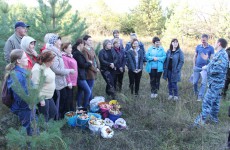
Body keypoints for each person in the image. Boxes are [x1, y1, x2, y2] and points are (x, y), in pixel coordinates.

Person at [193, 38, 228, 126]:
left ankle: (199, 124)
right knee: (215, 103)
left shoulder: (222, 55)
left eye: (216, 42)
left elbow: (218, 69)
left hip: (216, 84)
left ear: (219, 43)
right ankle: (214, 121)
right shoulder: (219, 54)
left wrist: (206, 68)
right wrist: (207, 60)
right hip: (215, 83)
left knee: (206, 102)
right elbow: (214, 64)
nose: (215, 44)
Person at [43, 33, 75, 119]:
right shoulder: (51, 53)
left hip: (61, 81)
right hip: (56, 83)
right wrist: (69, 71)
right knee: (58, 102)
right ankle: (57, 120)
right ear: (54, 42)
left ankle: (61, 119)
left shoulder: (56, 51)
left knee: (63, 100)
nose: (60, 42)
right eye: (59, 40)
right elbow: (56, 69)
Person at [5, 49, 32, 135]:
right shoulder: (18, 76)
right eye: (25, 58)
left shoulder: (21, 72)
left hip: (27, 108)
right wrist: (29, 105)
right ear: (18, 61)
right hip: (25, 109)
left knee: (31, 129)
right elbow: (20, 96)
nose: (27, 59)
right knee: (29, 131)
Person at [31, 51, 57, 121]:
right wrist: (41, 99)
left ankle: (48, 128)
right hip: (42, 97)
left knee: (53, 112)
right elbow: (35, 85)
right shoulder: (37, 69)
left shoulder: (46, 66)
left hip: (49, 96)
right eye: (52, 61)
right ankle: (44, 130)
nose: (53, 62)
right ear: (47, 60)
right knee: (44, 117)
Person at [193, 34, 214, 101]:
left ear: (207, 40)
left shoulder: (211, 48)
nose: (203, 41)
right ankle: (196, 92)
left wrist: (208, 64)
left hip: (205, 69)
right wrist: (194, 65)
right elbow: (195, 56)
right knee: (194, 82)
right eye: (202, 40)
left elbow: (213, 59)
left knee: (203, 83)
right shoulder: (198, 47)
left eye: (204, 40)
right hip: (197, 67)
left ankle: (200, 96)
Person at [72, 39, 92, 109]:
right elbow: (82, 65)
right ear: (80, 44)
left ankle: (78, 106)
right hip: (80, 76)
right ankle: (84, 106)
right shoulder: (77, 54)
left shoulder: (76, 53)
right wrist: (89, 63)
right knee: (88, 91)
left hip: (80, 75)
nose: (84, 46)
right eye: (83, 44)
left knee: (80, 91)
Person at [61, 42, 78, 111]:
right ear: (65, 49)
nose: (71, 49)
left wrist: (71, 56)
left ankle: (72, 112)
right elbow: (66, 70)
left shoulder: (69, 56)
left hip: (74, 81)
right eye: (70, 48)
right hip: (70, 82)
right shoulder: (64, 57)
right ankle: (68, 114)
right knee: (69, 100)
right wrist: (69, 82)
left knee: (72, 99)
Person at [82, 35, 100, 100]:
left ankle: (90, 101)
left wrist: (98, 67)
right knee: (89, 89)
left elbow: (95, 58)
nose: (91, 42)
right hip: (89, 72)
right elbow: (87, 62)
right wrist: (95, 69)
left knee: (90, 88)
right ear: (85, 41)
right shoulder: (84, 50)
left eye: (91, 40)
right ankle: (89, 103)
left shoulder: (92, 48)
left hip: (95, 70)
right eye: (89, 40)